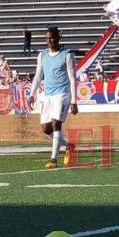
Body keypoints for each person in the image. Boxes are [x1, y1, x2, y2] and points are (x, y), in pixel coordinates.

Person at [29, 27, 78, 169]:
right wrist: (32, 94)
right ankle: (68, 145)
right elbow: (38, 76)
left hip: (62, 94)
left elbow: (72, 78)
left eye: (52, 37)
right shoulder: (42, 55)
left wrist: (74, 101)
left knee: (56, 124)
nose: (50, 41)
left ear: (58, 37)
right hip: (47, 95)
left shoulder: (67, 55)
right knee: (46, 128)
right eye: (47, 38)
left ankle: (53, 158)